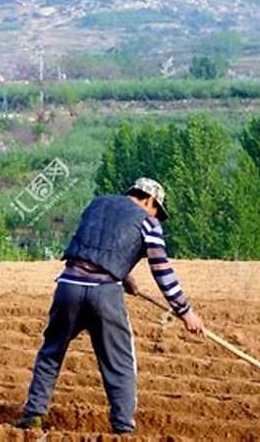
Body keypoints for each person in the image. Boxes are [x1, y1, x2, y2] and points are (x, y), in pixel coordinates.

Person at [14, 177, 205, 434]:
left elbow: (95, 246)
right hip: (104, 294)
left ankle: (33, 415)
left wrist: (125, 276)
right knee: (120, 362)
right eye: (157, 210)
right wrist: (186, 312)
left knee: (51, 351)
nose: (157, 216)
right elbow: (162, 270)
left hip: (68, 285)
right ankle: (123, 428)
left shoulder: (97, 205)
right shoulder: (149, 222)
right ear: (150, 201)